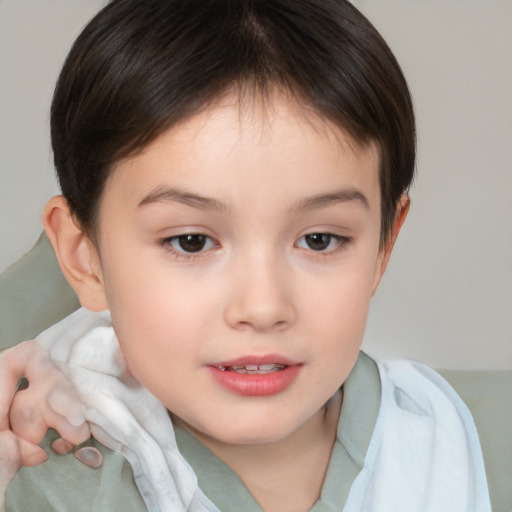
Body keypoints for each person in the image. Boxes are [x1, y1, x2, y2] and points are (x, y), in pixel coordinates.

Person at [0, 0, 499, 510]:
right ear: (85, 257)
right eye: (191, 241)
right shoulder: (35, 475)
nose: (263, 307)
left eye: (320, 240)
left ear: (383, 246)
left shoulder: (455, 441)